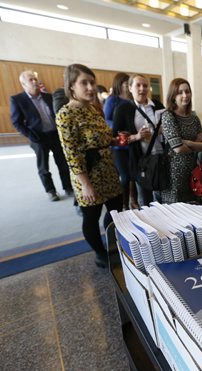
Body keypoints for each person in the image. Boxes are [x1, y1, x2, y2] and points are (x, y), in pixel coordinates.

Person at [56, 64, 122, 268]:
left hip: (108, 172)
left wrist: (116, 140)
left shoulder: (94, 109)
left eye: (92, 82)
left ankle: (112, 245)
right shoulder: (65, 114)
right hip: (87, 176)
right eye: (84, 83)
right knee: (91, 218)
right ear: (71, 86)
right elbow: (71, 154)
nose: (91, 87)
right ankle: (100, 254)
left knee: (115, 213)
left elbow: (102, 138)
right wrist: (85, 184)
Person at [10, 70, 73, 201]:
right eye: (30, 80)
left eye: (35, 79)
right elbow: (17, 122)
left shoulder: (48, 97)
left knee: (62, 163)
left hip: (55, 135)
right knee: (44, 167)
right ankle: (51, 191)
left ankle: (67, 187)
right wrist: (30, 136)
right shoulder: (17, 99)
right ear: (23, 84)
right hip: (38, 137)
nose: (35, 82)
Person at [113, 74, 165, 206]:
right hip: (141, 161)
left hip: (161, 157)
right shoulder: (123, 109)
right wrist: (136, 137)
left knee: (162, 196)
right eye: (138, 85)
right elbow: (115, 140)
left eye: (145, 85)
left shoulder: (157, 105)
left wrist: (164, 130)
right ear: (130, 88)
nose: (142, 88)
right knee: (145, 200)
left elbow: (167, 126)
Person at [161, 78, 202, 204]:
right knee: (176, 214)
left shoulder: (194, 117)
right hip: (174, 175)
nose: (185, 95)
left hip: (193, 172)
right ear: (173, 96)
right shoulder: (168, 116)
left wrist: (188, 143)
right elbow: (178, 148)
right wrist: (195, 143)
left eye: (187, 91)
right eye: (180, 92)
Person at [103, 72, 139, 209]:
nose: (127, 86)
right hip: (119, 145)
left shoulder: (132, 101)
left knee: (134, 175)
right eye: (126, 84)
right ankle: (123, 204)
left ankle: (133, 200)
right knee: (124, 177)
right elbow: (106, 120)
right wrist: (119, 128)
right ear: (120, 85)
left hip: (133, 143)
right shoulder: (113, 100)